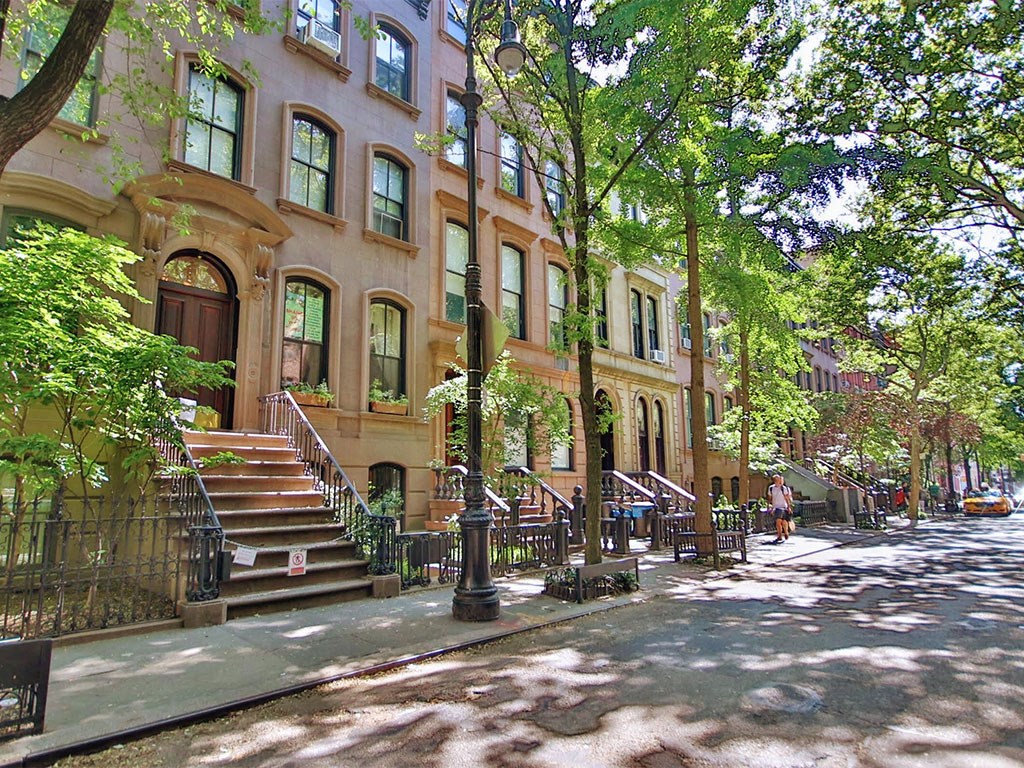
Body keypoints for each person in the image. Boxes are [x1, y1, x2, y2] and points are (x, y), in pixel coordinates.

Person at [767, 474, 793, 544]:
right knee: (778, 521)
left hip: (783, 506)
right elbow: (770, 498)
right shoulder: (771, 488)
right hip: (776, 507)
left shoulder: (783, 488)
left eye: (779, 479)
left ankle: (786, 532)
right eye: (776, 479)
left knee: (784, 521)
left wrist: (789, 506)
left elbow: (787, 498)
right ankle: (779, 535)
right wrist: (769, 506)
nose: (778, 481)